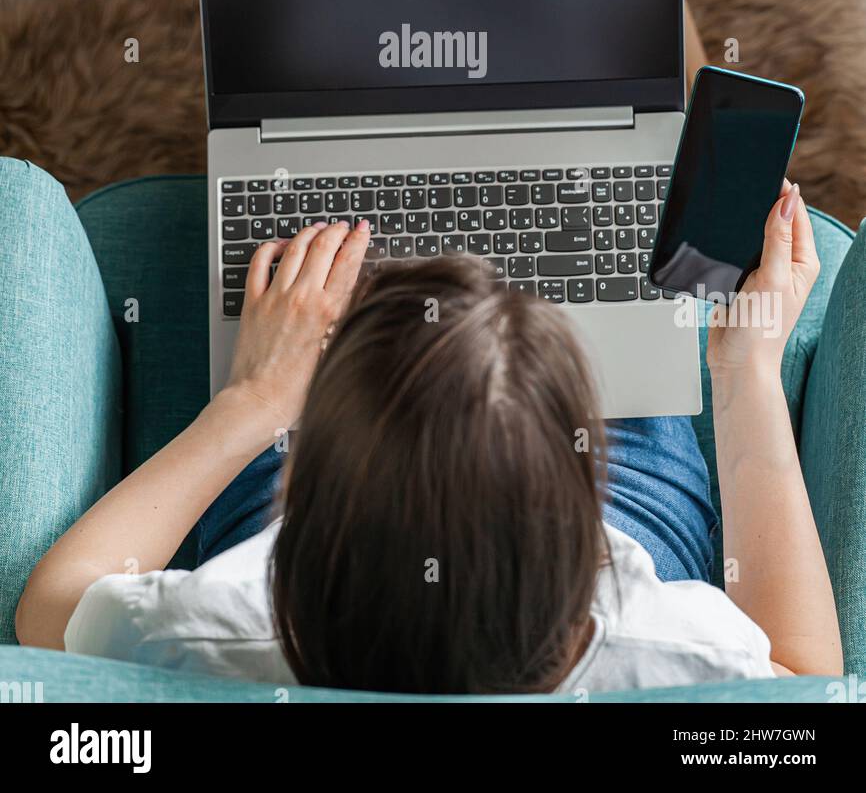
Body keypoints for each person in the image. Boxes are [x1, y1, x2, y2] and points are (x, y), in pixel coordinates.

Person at [16, 180, 842, 694]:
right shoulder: (671, 649)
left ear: (295, 487)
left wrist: (253, 399)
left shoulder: (207, 633)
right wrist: (747, 371)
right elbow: (808, 682)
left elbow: (51, 606)